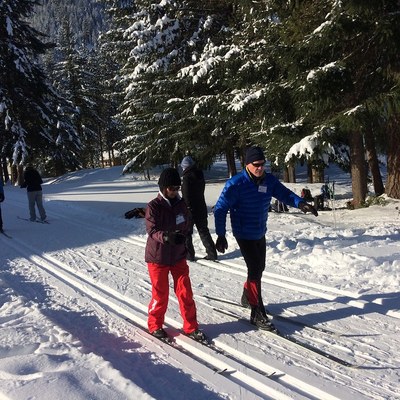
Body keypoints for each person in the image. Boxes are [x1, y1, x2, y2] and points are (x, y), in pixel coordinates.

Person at [214, 146, 318, 330]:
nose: (260, 168)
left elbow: (285, 194)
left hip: (259, 231)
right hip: (243, 232)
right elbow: (220, 209)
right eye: (256, 165)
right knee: (254, 270)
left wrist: (301, 203)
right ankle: (257, 313)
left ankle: (248, 295)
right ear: (247, 164)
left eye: (262, 164)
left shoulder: (268, 181)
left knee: (259, 268)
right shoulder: (235, 184)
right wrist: (221, 234)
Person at [144, 167, 206, 342]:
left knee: (185, 292)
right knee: (160, 294)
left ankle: (191, 326)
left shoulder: (181, 204)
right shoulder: (153, 206)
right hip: (158, 257)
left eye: (177, 188)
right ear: (164, 188)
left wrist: (185, 237)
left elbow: (186, 224)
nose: (175, 191)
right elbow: (152, 230)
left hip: (178, 256)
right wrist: (166, 237)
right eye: (172, 188)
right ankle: (155, 325)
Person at [180, 156, 217, 261]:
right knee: (203, 231)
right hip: (201, 206)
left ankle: (189, 255)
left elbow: (186, 195)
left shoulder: (186, 178)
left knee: (187, 232)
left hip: (190, 209)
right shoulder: (200, 175)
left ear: (185, 167)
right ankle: (212, 253)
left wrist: (186, 207)